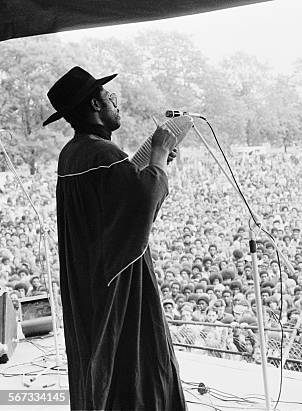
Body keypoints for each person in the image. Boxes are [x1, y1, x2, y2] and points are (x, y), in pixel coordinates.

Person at [45, 66, 185, 410]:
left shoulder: (72, 153)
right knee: (136, 364)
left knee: (95, 361)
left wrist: (154, 164)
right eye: (111, 99)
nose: (116, 105)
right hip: (120, 284)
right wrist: (157, 157)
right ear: (96, 104)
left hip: (88, 282)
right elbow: (141, 204)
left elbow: (108, 208)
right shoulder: (105, 155)